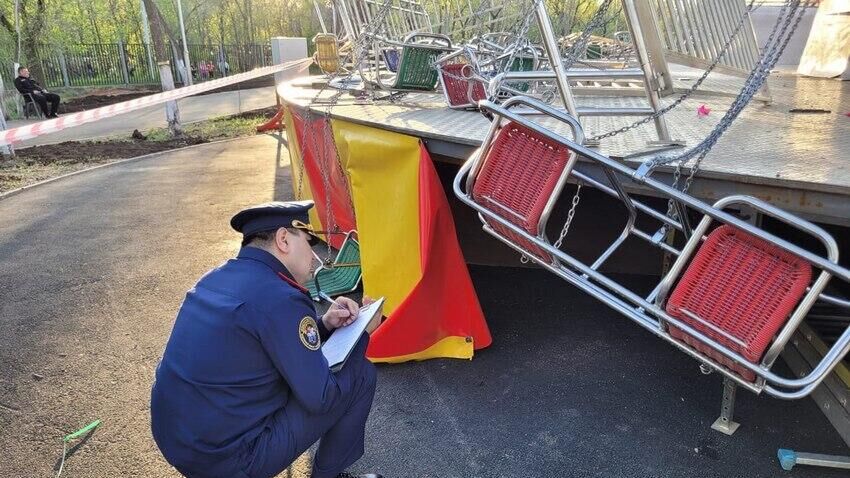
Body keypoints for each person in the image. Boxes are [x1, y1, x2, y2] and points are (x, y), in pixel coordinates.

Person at [151, 201, 381, 478]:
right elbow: (322, 398)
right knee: (359, 375)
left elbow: (272, 341)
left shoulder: (214, 279)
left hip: (178, 441)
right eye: (309, 243)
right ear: (284, 239)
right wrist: (362, 334)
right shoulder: (281, 296)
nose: (313, 257)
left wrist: (326, 325)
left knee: (296, 375)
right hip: (228, 460)